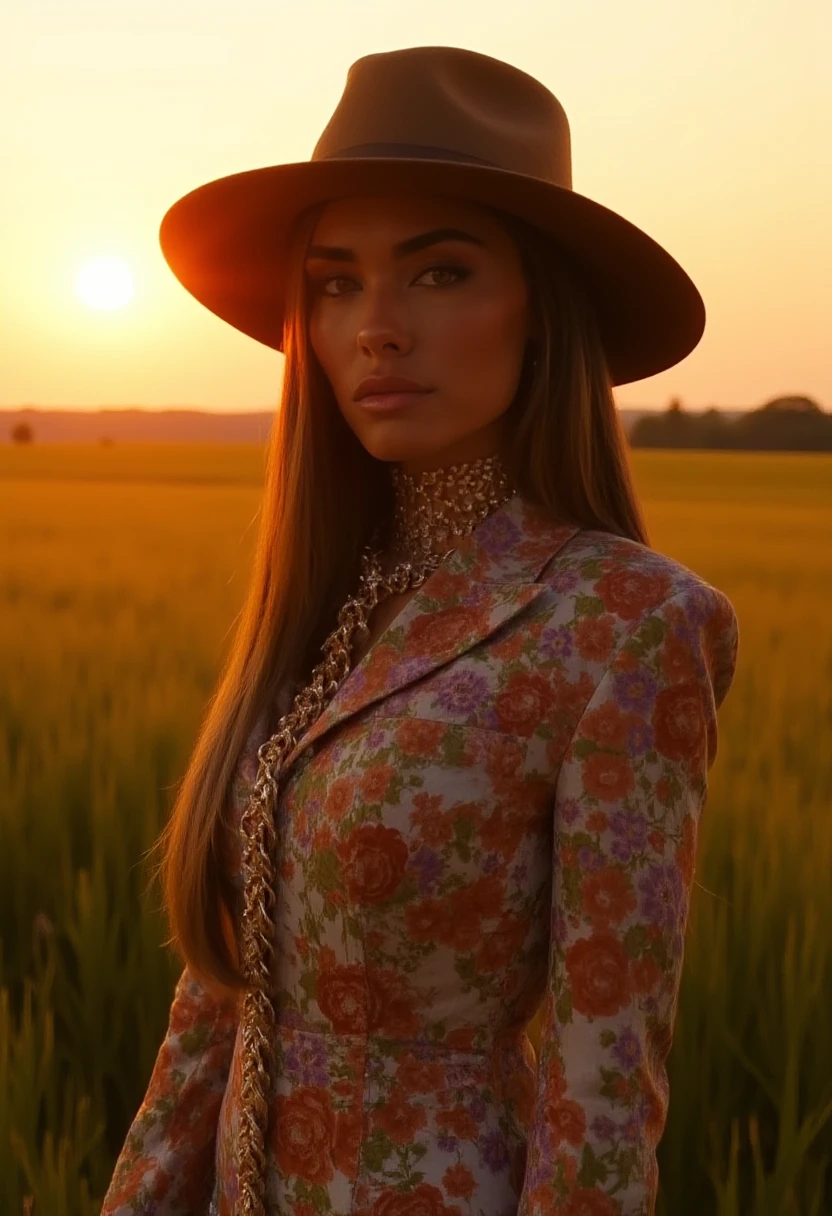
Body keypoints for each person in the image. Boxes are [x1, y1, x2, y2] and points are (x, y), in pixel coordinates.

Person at [101, 45, 739, 1216]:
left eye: (437, 274)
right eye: (336, 282)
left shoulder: (626, 625)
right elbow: (215, 1008)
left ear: (542, 311)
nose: (375, 327)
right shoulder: (322, 602)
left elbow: (605, 1087)